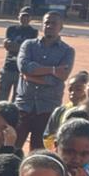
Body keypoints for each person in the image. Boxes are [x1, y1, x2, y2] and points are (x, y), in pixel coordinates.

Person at [15, 12, 75, 151]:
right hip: (24, 106)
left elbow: (61, 77)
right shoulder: (28, 45)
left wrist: (31, 76)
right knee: (13, 147)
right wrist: (53, 70)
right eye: (47, 22)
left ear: (61, 27)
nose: (49, 26)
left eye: (54, 23)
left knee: (39, 152)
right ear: (42, 25)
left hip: (47, 108)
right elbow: (24, 67)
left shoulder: (67, 51)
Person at [0, 6, 39, 102]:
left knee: (16, 100)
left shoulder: (33, 32)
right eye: (23, 16)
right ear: (18, 16)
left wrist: (14, 45)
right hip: (8, 67)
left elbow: (28, 50)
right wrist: (20, 47)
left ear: (30, 18)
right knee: (1, 97)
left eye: (27, 17)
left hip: (21, 70)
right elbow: (7, 46)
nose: (24, 19)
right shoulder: (11, 29)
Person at [43, 70, 89, 152]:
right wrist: (57, 149)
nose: (72, 93)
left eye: (78, 89)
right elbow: (48, 136)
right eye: (70, 89)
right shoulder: (60, 111)